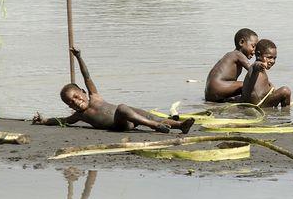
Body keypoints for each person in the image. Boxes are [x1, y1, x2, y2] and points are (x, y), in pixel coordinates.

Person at [33, 48, 194, 133]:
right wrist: (44, 120)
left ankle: (180, 126)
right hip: (120, 124)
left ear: (83, 92)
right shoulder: (80, 116)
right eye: (70, 102)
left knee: (147, 115)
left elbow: (86, 76)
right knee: (123, 108)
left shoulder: (95, 96)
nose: (75, 101)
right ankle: (153, 126)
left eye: (76, 96)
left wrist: (79, 57)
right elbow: (61, 121)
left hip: (131, 117)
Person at [204, 28, 258, 102]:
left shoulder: (232, 55)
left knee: (245, 86)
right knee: (247, 85)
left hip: (210, 93)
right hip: (217, 88)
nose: (254, 51)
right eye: (253, 46)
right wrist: (266, 84)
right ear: (241, 42)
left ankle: (231, 99)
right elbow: (253, 70)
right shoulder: (237, 54)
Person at [241, 39, 291, 108]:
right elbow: (257, 66)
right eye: (269, 57)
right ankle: (286, 111)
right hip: (259, 104)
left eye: (274, 58)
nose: (272, 61)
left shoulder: (260, 71)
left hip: (259, 102)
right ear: (258, 54)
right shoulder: (256, 66)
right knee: (285, 91)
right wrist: (261, 65)